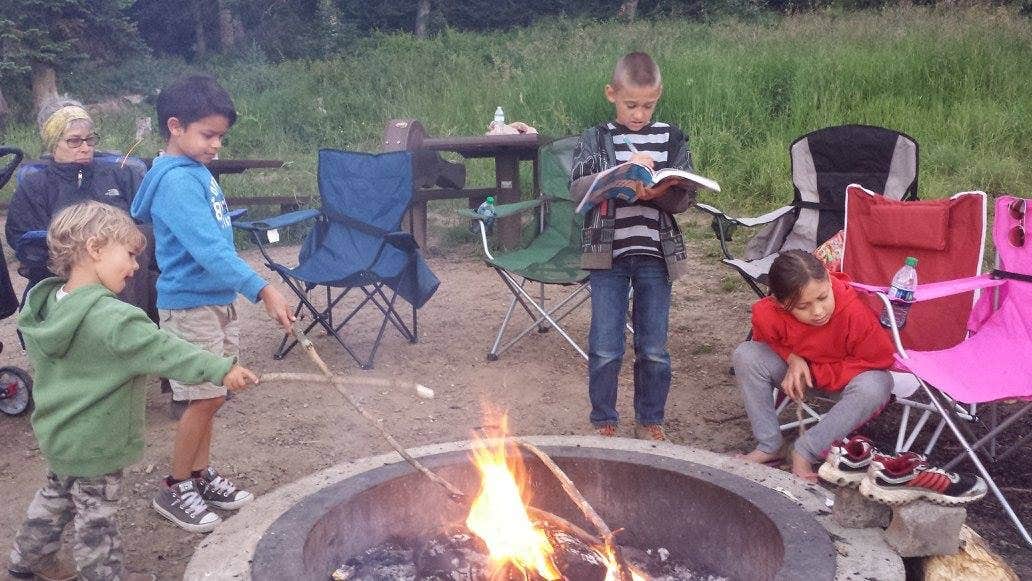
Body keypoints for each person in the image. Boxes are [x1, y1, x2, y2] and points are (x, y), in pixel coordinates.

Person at [8, 201, 257, 581]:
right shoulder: (115, 319)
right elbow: (167, 351)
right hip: (97, 441)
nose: (137, 266)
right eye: (129, 254)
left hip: (58, 433)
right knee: (97, 523)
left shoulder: (47, 304)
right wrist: (221, 369)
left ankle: (27, 562)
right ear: (94, 249)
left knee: (55, 498)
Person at [130, 74, 294, 532]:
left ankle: (199, 475)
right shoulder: (176, 183)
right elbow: (209, 250)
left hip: (214, 301)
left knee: (214, 395)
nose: (217, 144)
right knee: (200, 399)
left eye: (221, 135)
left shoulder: (195, 172)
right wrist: (262, 288)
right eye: (208, 134)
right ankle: (175, 486)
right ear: (175, 126)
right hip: (188, 308)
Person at [569, 52, 697, 441]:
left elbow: (684, 197)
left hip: (656, 255)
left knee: (653, 346)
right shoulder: (596, 137)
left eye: (647, 105)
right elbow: (577, 187)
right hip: (607, 255)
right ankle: (604, 419)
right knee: (606, 344)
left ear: (657, 97)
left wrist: (657, 193)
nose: (639, 114)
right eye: (630, 105)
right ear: (612, 94)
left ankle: (650, 419)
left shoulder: (671, 137)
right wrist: (615, 181)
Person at [733, 249, 895, 481]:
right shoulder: (770, 311)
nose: (818, 312)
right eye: (803, 307)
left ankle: (806, 450)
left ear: (829, 280)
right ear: (780, 304)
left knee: (878, 383)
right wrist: (791, 357)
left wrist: (814, 371)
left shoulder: (853, 313)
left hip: (844, 385)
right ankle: (769, 445)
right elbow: (766, 334)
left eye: (822, 298)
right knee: (746, 354)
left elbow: (878, 360)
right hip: (800, 377)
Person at [5, 97, 156, 317]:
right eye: (74, 141)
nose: (85, 148)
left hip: (126, 278)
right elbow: (23, 240)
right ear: (53, 142)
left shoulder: (120, 174)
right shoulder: (35, 184)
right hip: (63, 276)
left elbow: (146, 225)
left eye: (89, 139)